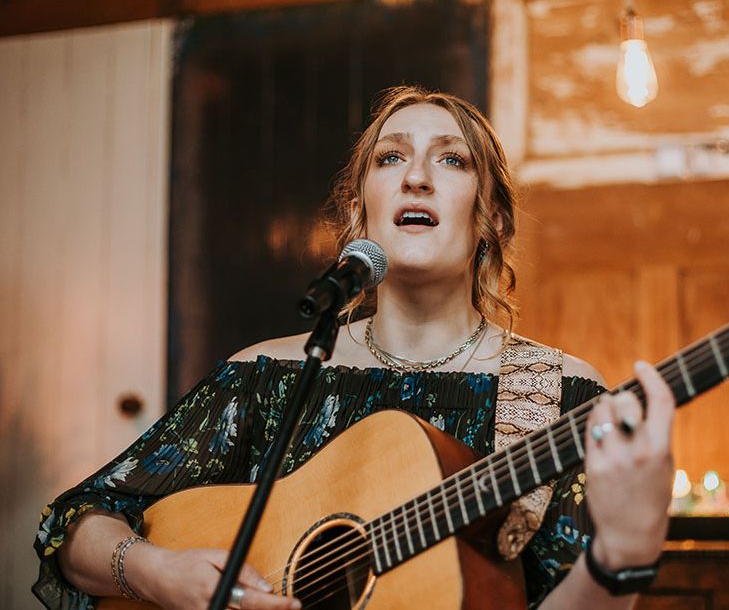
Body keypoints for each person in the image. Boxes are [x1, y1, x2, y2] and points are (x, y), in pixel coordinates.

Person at [33, 86, 675, 610]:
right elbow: (76, 522)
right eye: (390, 158)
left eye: (452, 160)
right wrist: (150, 572)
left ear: (492, 220)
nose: (417, 177)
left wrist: (625, 551)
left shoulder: (561, 395)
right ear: (360, 214)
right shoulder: (266, 376)